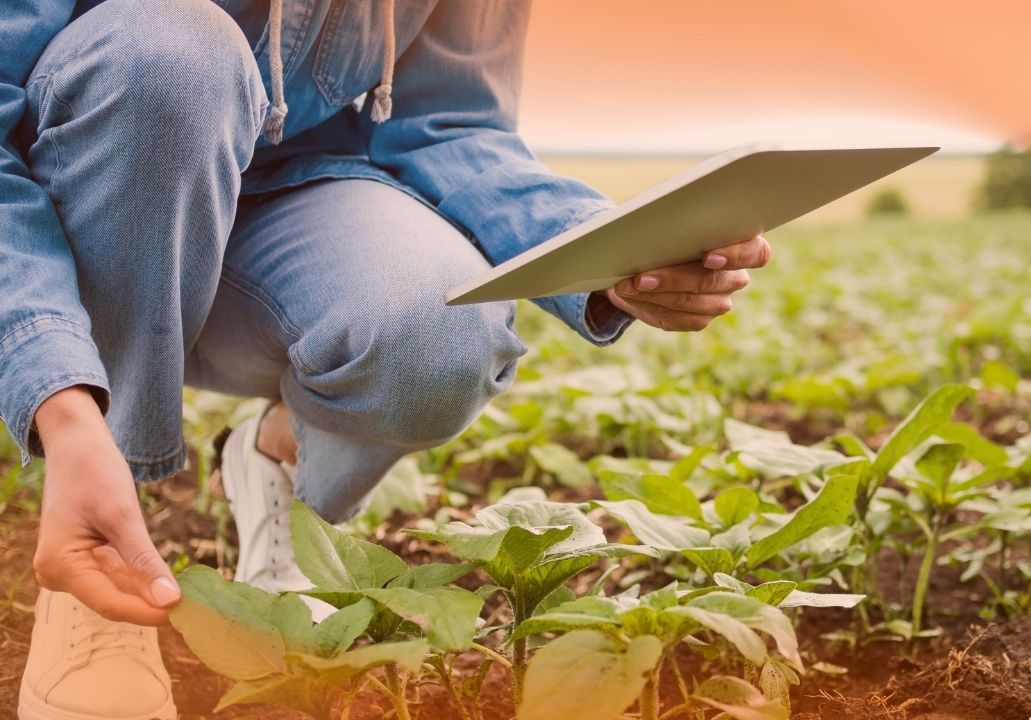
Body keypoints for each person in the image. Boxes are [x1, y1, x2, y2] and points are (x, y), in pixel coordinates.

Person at [0, 1, 771, 718]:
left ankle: (283, 465)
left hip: (297, 207)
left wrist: (613, 252)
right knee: (171, 58)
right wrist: (63, 409)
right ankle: (98, 561)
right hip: (92, 205)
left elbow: (451, 121)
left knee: (438, 332)